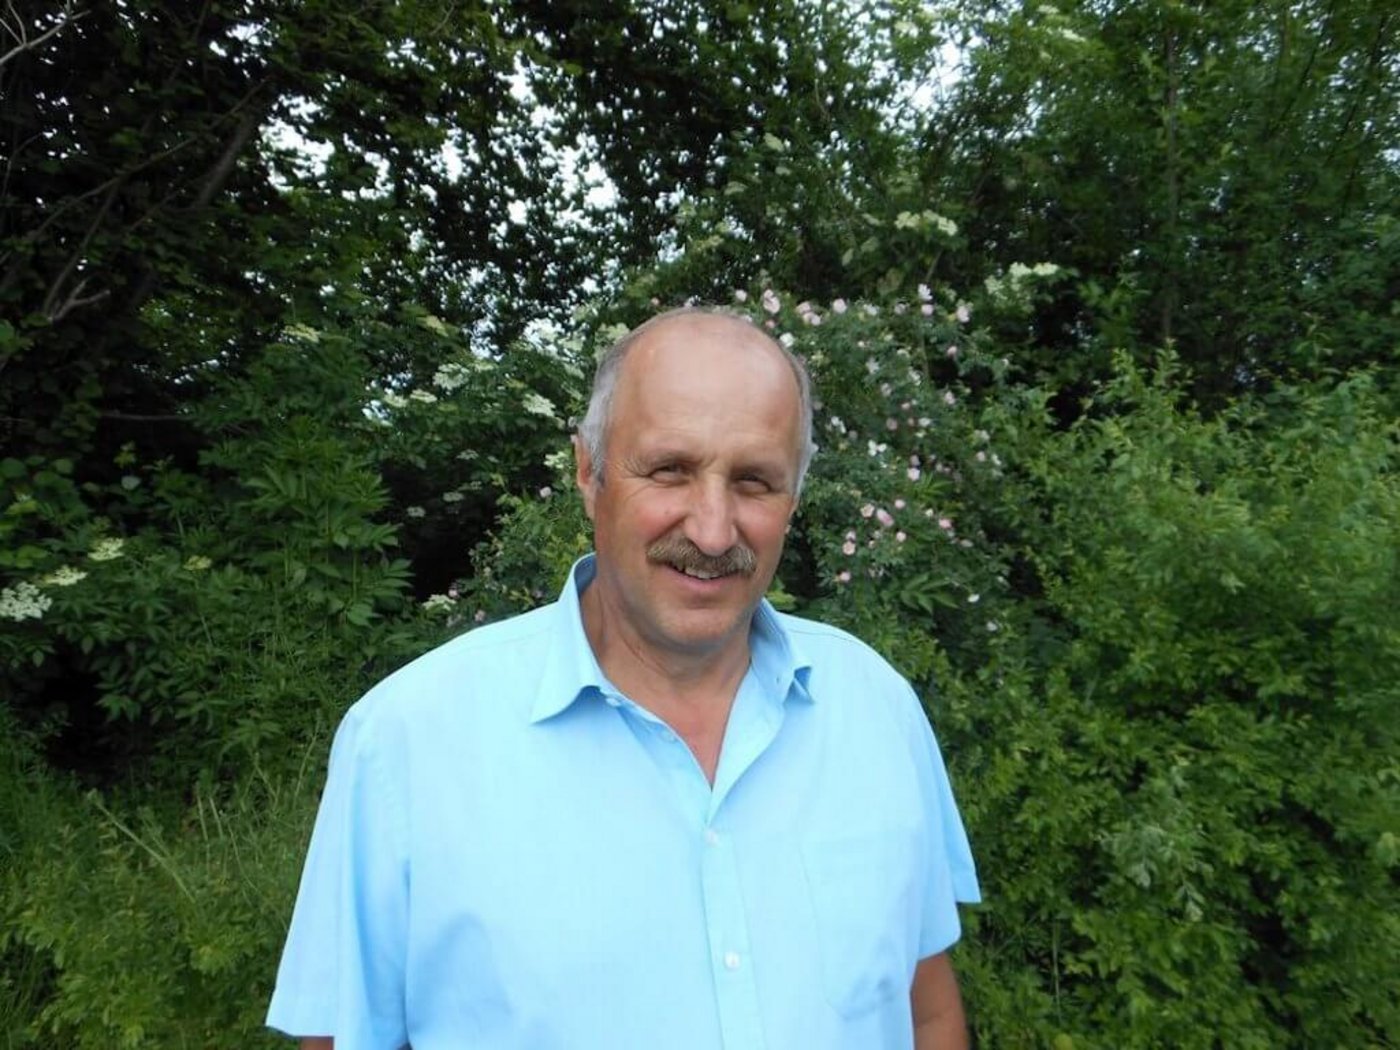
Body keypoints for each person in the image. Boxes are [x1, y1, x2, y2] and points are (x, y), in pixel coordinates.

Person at [267, 307, 981, 1049]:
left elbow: (925, 1011)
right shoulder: (406, 742)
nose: (712, 530)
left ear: (793, 499)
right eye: (670, 470)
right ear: (589, 472)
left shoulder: (876, 707)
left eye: (754, 481)